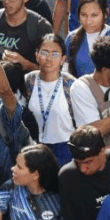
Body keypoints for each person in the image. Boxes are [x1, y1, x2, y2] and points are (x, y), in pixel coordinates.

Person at [25, 35, 78, 163]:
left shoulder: (71, 84)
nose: (48, 58)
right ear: (36, 55)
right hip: (34, 147)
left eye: (55, 54)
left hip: (65, 149)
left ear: (62, 59)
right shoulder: (28, 81)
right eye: (44, 53)